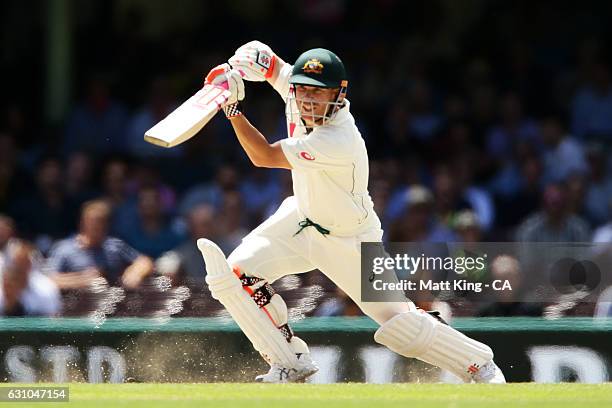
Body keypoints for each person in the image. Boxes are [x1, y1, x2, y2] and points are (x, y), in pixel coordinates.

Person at [194, 41, 505, 383]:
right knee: (233, 277)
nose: (308, 101)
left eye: (319, 94)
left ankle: (480, 364)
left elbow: (264, 157)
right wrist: (254, 58)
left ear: (338, 94)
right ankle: (289, 361)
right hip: (299, 219)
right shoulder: (297, 93)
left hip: (350, 241)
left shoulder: (339, 139)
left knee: (401, 325)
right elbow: (278, 69)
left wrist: (233, 109)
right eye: (303, 92)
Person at [46, 200, 154, 289]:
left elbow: (144, 261)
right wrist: (84, 280)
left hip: (111, 306)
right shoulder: (64, 249)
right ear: (83, 223)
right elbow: (50, 280)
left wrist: (134, 273)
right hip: (74, 308)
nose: (97, 228)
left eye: (101, 223)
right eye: (93, 223)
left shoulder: (113, 246)